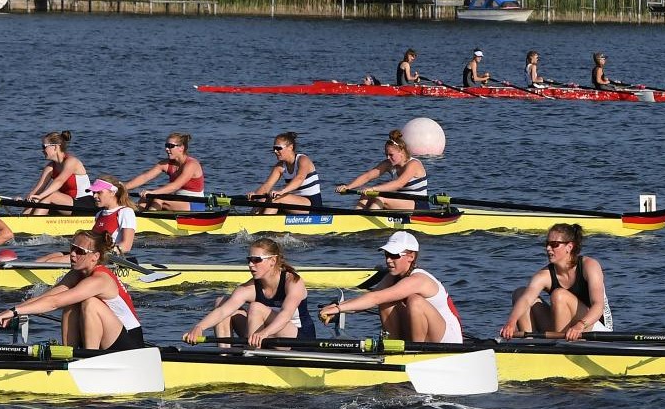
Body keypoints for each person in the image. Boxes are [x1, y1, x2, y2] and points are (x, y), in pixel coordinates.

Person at [0, 230, 146, 351]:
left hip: (131, 343)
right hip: (109, 335)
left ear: (95, 256)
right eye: (72, 248)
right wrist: (13, 311)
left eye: (80, 251)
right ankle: (69, 354)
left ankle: (89, 359)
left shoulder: (100, 280)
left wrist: (15, 312)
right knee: (70, 302)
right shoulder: (75, 274)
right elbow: (47, 297)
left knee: (90, 303)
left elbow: (54, 303)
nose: (72, 254)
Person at [317, 231, 462, 343]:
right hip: (427, 333)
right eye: (387, 254)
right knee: (386, 301)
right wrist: (338, 309)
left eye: (394, 255)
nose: (388, 260)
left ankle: (416, 353)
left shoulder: (419, 279)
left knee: (415, 301)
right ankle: (393, 347)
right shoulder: (392, 277)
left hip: (449, 339)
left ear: (411, 256)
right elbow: (370, 299)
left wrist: (338, 308)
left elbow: (375, 298)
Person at [181, 238, 314, 348]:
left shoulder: (293, 282)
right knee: (222, 302)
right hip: (262, 336)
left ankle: (252, 354)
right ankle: (225, 354)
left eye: (256, 260)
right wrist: (199, 327)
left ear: (273, 261)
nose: (250, 264)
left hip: (299, 339)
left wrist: (264, 333)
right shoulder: (250, 288)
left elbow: (285, 315)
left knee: (256, 308)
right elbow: (222, 311)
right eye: (249, 260)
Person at [499, 223, 612, 341]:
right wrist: (511, 322)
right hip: (564, 329)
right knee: (520, 293)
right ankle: (530, 344)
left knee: (559, 295)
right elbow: (526, 299)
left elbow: (598, 306)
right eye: (547, 244)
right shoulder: (544, 275)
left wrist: (580, 325)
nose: (548, 248)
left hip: (593, 327)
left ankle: (559, 346)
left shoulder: (589, 266)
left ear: (569, 247)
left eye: (554, 245)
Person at [37, 177, 134, 261]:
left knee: (53, 262)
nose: (94, 196)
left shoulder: (125, 212)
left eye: (99, 192)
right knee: (44, 259)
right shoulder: (99, 214)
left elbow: (126, 246)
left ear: (112, 193)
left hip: (106, 259)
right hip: (90, 254)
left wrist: (100, 253)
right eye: (94, 192)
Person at [336, 130, 429, 211]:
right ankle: (355, 217)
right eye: (386, 154)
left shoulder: (413, 164)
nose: (388, 157)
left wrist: (373, 189)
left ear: (401, 151)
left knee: (380, 198)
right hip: (401, 199)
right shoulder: (389, 163)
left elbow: (398, 184)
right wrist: (348, 187)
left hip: (418, 203)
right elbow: (368, 176)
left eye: (391, 155)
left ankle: (368, 221)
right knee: (366, 194)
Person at [120, 132, 206, 211]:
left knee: (158, 199)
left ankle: (149, 219)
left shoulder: (191, 164)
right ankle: (137, 216)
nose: (167, 149)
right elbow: (145, 177)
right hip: (178, 199)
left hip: (195, 203)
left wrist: (153, 193)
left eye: (170, 146)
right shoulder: (166, 164)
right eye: (166, 145)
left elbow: (175, 186)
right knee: (145, 198)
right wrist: (122, 187)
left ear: (181, 148)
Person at [20, 131, 91, 215]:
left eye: (44, 146)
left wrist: (41, 196)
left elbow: (59, 181)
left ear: (56, 147)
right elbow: (38, 190)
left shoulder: (72, 161)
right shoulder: (50, 167)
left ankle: (32, 222)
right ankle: (21, 219)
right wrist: (26, 200)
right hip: (67, 204)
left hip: (85, 204)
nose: (42, 150)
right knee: (35, 201)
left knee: (51, 196)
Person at [249, 132, 322, 213]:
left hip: (312, 204)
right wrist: (255, 195)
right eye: (274, 148)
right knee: (262, 199)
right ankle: (251, 218)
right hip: (292, 202)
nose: (275, 151)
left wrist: (281, 191)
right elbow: (267, 185)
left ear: (290, 147)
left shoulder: (303, 160)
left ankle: (264, 220)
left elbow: (299, 178)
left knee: (276, 199)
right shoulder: (280, 167)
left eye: (278, 148)